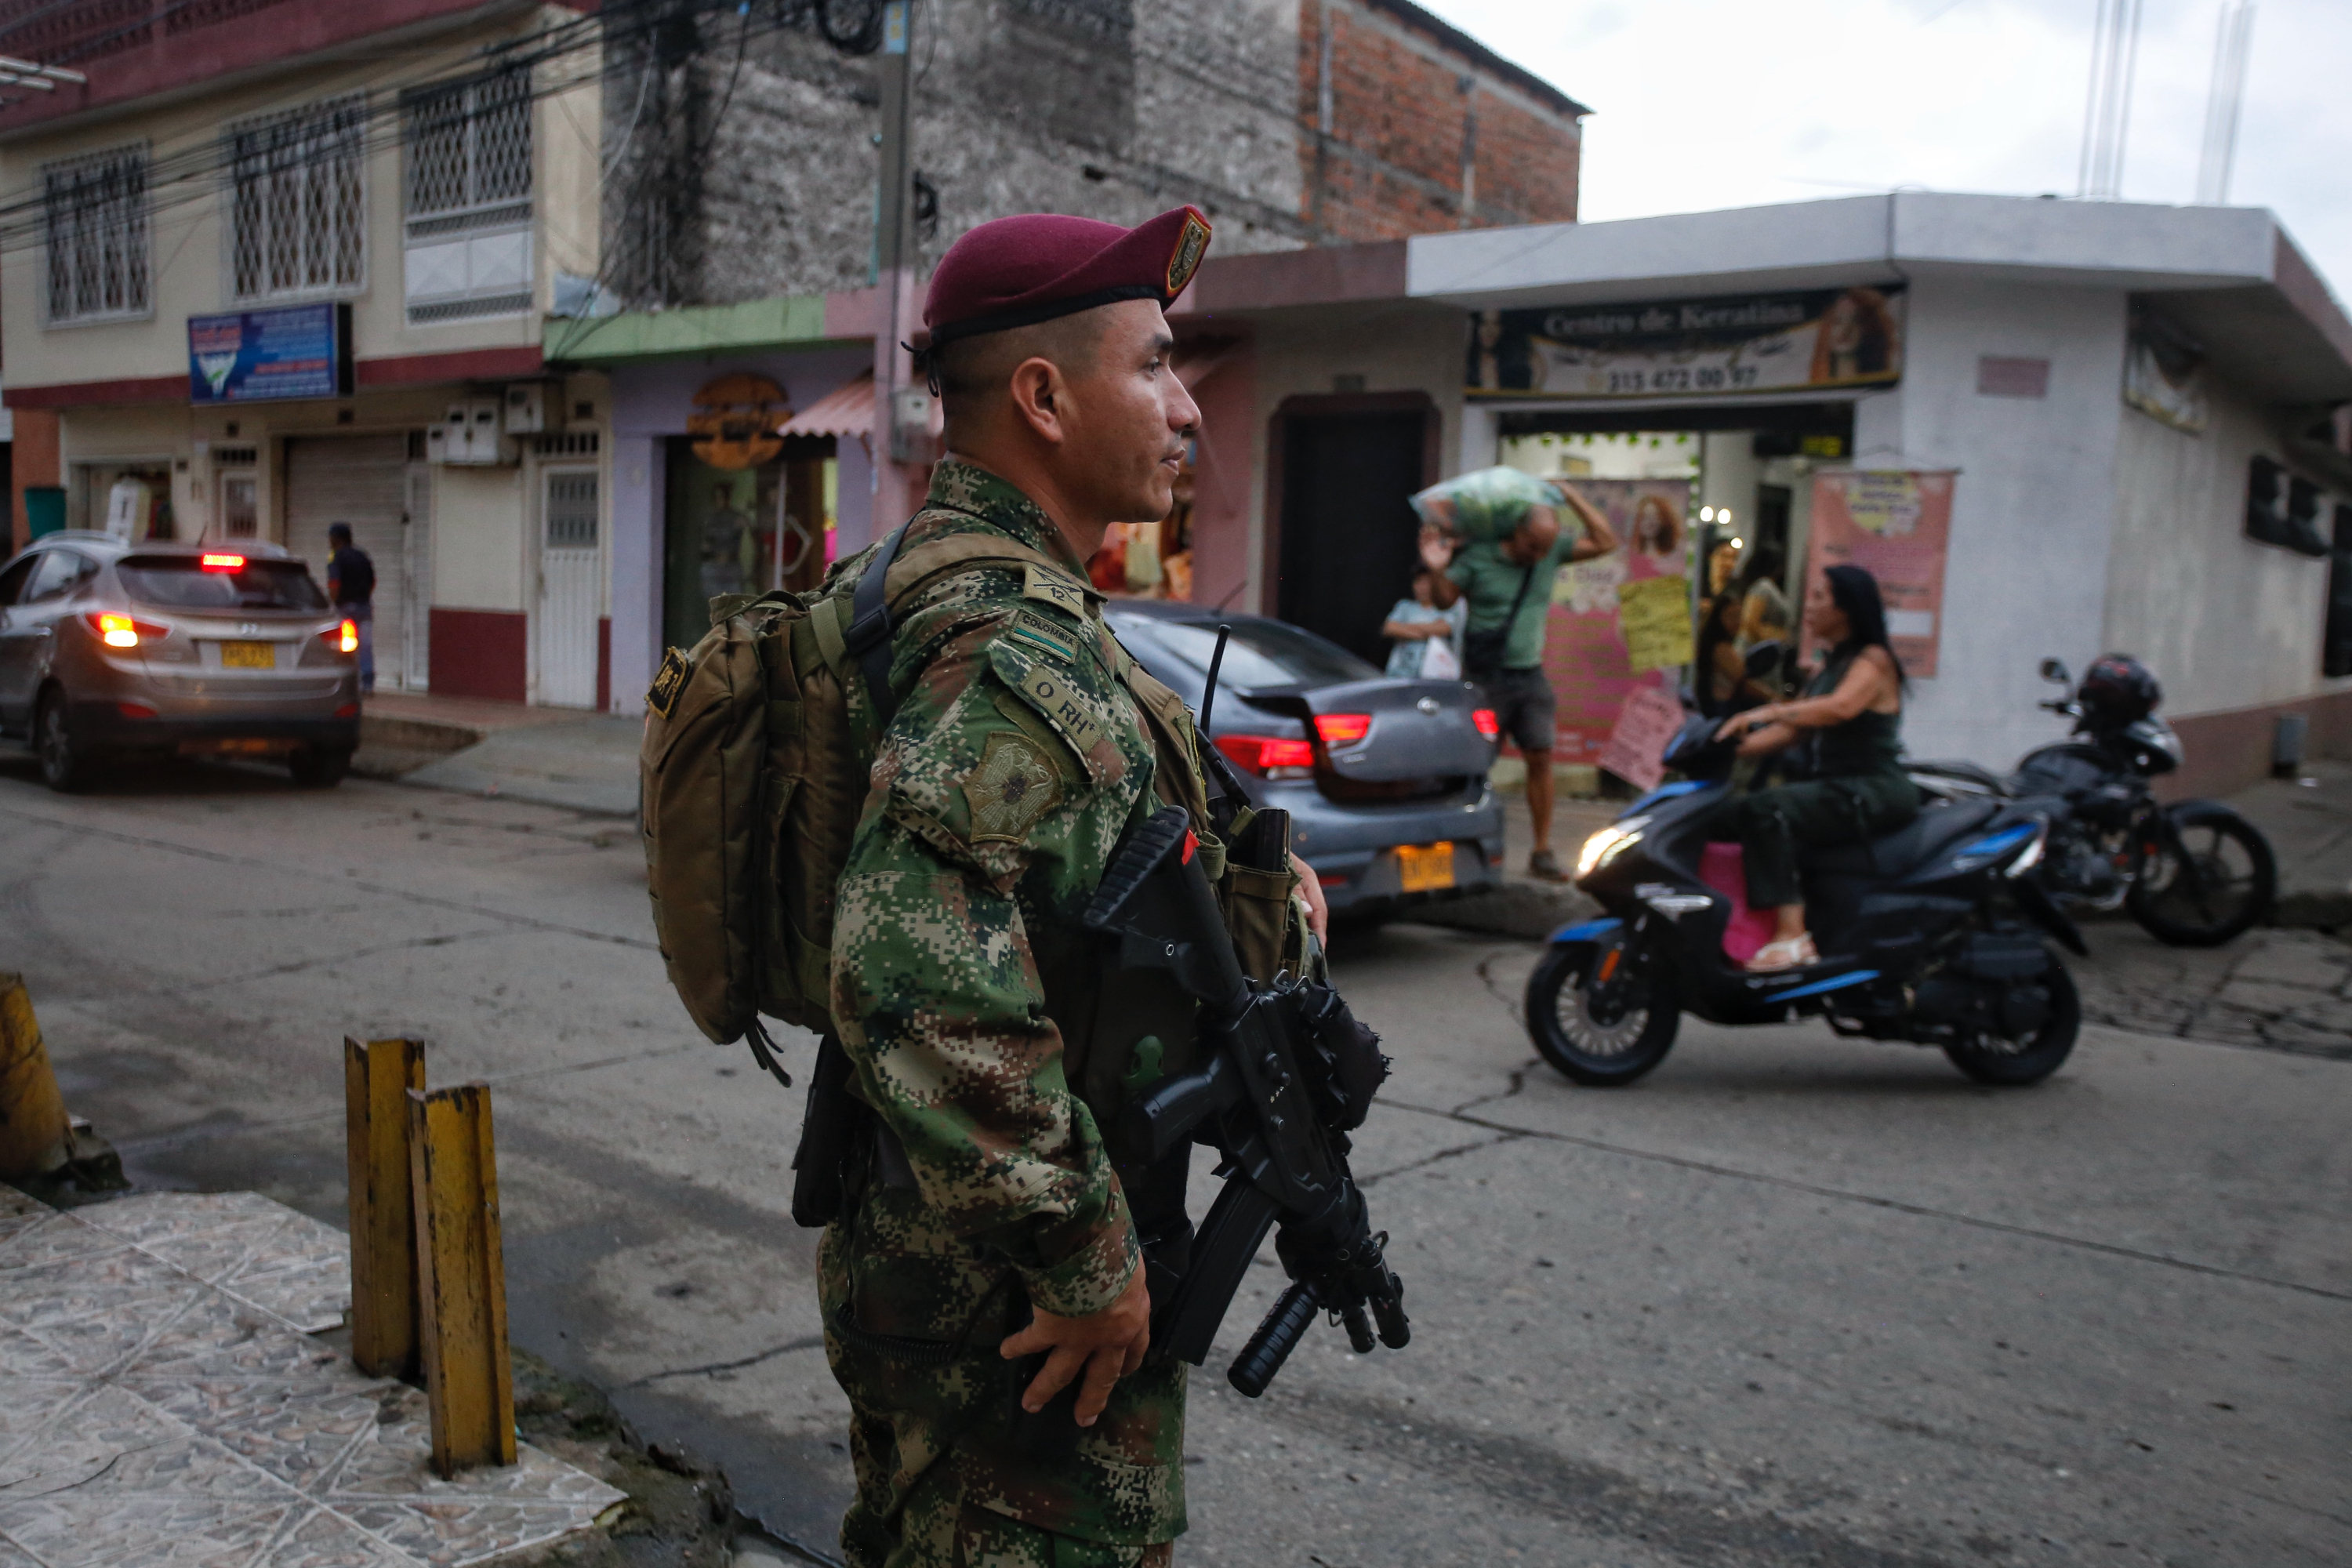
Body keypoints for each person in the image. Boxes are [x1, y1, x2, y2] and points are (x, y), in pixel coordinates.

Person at [823, 204, 1326, 1568]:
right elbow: (911, 974)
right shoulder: (1014, 655)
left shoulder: (944, 585)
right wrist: (1088, 1256)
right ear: (1043, 397)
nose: (1187, 410)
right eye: (1155, 366)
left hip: (948, 1258)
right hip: (1013, 1305)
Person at [1708, 564, 1921, 971]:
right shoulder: (1830, 663)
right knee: (1722, 816)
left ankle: (1793, 937)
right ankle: (1739, 929)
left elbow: (1839, 709)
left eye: (1821, 596)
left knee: (1767, 808)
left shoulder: (1873, 660)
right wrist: (1720, 748)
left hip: (1872, 786)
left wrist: (1765, 711)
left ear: (1846, 608)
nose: (1809, 604)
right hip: (1838, 786)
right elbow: (1792, 733)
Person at [1417, 476, 1618, 880]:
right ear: (1516, 531)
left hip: (1529, 676)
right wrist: (1437, 569)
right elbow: (1443, 600)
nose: (1539, 555)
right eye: (1533, 545)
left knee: (1541, 758)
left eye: (1546, 547)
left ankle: (1541, 851)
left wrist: (1571, 495)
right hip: (1484, 678)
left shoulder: (1550, 552)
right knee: (1473, 764)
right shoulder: (1478, 556)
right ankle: (1460, 847)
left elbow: (1605, 541)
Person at [1694, 586, 1774, 719]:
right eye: (1731, 616)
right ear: (1718, 617)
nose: (1736, 622)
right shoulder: (1720, 648)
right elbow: (1742, 681)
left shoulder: (1723, 645)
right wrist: (1772, 697)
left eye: (1739, 615)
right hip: (1722, 708)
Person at [1381, 564, 1465, 679]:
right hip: (1400, 673)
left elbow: (1445, 628)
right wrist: (1427, 632)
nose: (1422, 587)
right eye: (1418, 582)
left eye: (1428, 583)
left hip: (1433, 676)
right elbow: (1389, 628)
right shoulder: (1404, 606)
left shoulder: (1448, 607)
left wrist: (1405, 628)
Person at [324, 523, 375, 694]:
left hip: (345, 608)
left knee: (342, 646)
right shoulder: (362, 556)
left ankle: (346, 682)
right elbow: (372, 581)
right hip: (364, 607)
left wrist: (331, 605)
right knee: (365, 646)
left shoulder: (336, 556)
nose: (329, 540)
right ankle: (367, 684)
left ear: (338, 538)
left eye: (331, 536)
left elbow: (334, 584)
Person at [702, 482, 753, 601]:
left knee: (735, 607)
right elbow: (705, 544)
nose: (722, 500)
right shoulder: (709, 518)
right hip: (714, 566)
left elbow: (752, 535)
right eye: (719, 497)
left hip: (732, 566)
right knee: (716, 607)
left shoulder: (737, 516)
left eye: (725, 496)